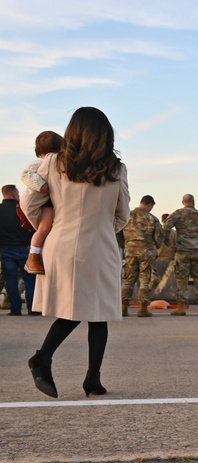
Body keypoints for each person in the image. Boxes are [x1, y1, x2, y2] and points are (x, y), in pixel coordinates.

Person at [22, 107, 130, 398]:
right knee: (99, 312)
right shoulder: (116, 168)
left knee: (75, 308)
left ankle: (47, 359)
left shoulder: (54, 163)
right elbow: (123, 215)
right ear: (106, 134)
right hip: (100, 243)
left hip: (63, 243)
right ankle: (87, 376)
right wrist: (103, 227)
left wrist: (51, 227)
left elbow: (30, 203)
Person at [162, 194, 198, 315]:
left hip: (183, 252)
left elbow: (165, 228)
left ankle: (181, 307)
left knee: (182, 280)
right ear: (194, 202)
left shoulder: (178, 214)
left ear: (183, 202)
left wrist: (169, 244)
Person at [22, 131, 64, 275]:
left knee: (47, 228)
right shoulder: (40, 163)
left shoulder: (53, 163)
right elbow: (26, 174)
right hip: (43, 202)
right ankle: (32, 257)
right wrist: (42, 186)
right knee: (44, 228)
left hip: (48, 201)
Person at [120, 195, 164, 317]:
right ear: (149, 205)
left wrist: (126, 246)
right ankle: (143, 309)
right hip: (147, 253)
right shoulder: (152, 219)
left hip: (130, 252)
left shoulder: (127, 216)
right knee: (145, 280)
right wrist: (154, 247)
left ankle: (123, 307)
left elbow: (118, 233)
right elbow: (159, 237)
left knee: (128, 280)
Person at [1, 184, 37, 316]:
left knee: (10, 279)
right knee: (30, 279)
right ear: (15, 195)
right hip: (25, 248)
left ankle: (15, 310)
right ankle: (32, 309)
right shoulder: (23, 209)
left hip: (5, 249)